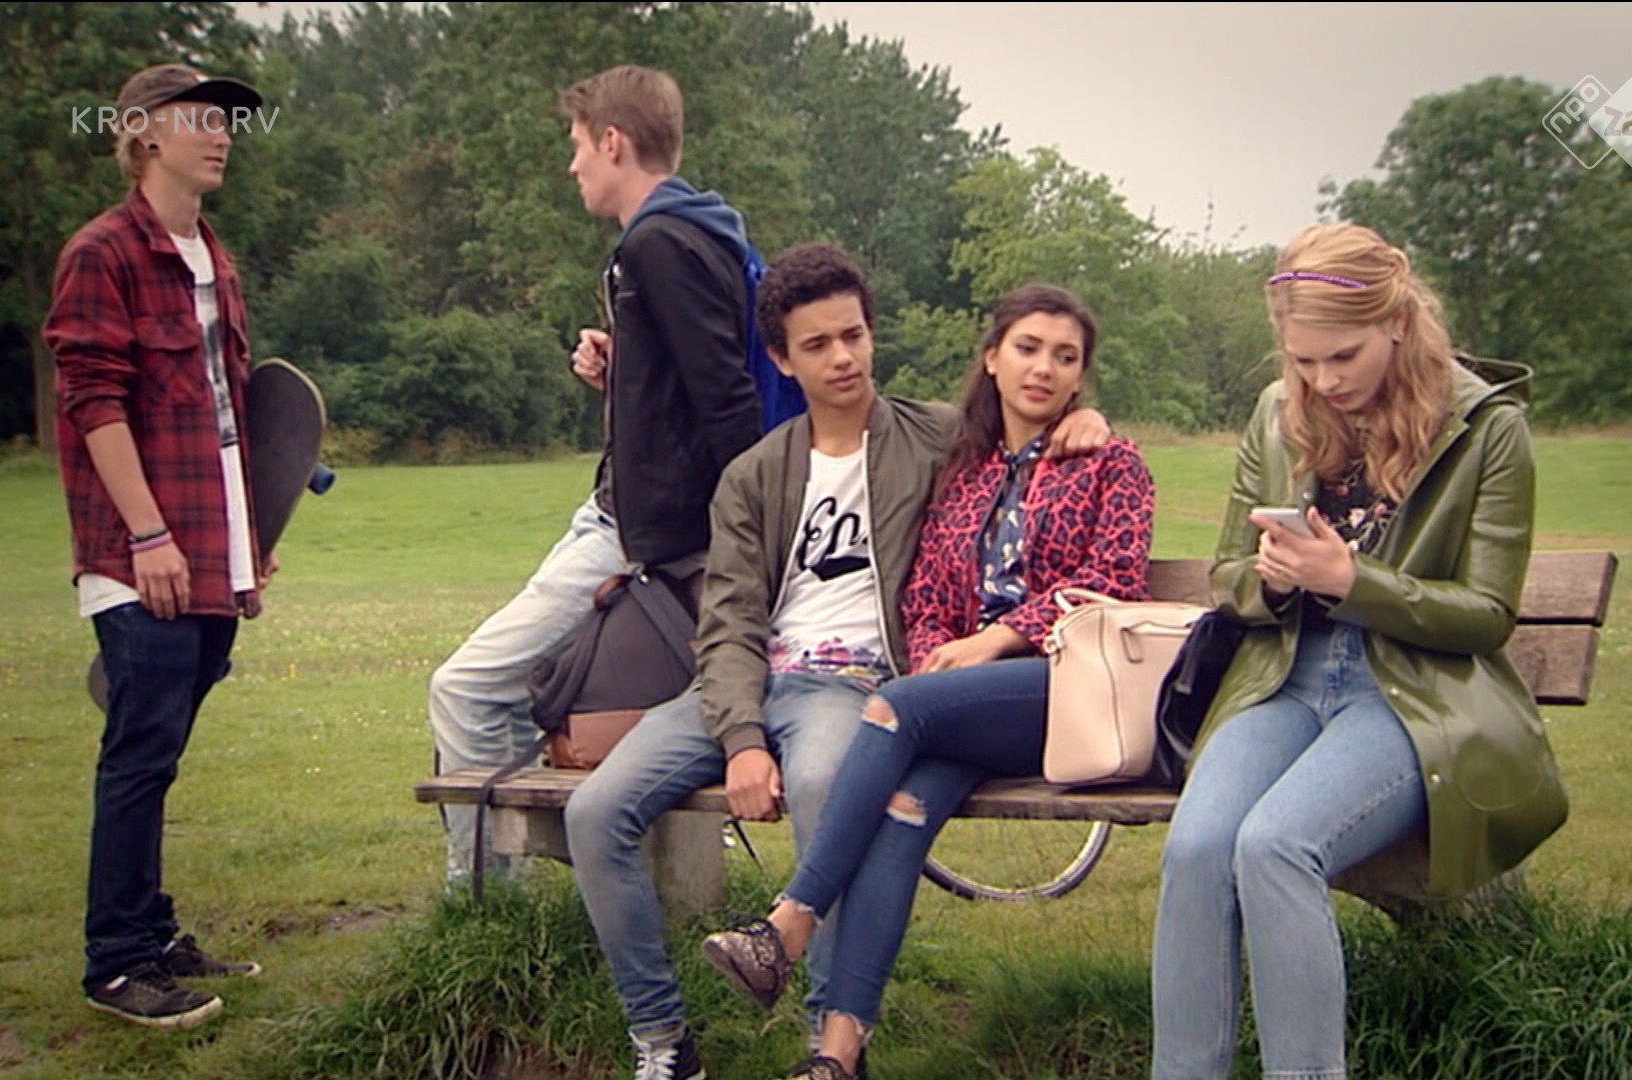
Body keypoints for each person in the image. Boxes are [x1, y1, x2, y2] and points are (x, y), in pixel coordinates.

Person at [565, 246, 1112, 1080]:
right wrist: (742, 739)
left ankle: (828, 1046)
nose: (843, 357)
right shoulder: (754, 475)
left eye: (854, 335)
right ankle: (663, 1042)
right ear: (783, 359)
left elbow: (1024, 412)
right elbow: (729, 621)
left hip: (855, 685)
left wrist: (1087, 418)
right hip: (747, 684)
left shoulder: (936, 438)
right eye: (817, 344)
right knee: (594, 812)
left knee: (825, 784)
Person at [698, 284, 1158, 1080]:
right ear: (992, 358)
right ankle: (837, 1058)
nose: (1043, 369)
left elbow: (1111, 582)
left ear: (1081, 376)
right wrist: (943, 654)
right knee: (901, 816)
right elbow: (925, 599)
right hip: (968, 708)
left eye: (1065, 357)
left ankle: (789, 924)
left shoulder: (1111, 463)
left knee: (892, 706)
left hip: (1068, 690)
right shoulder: (966, 470)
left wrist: (996, 640)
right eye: (1027, 348)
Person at [1149, 223, 1569, 1080]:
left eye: (1343, 356)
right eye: (1303, 360)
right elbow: (1228, 574)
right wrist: (1271, 581)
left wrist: (1352, 580)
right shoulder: (1279, 412)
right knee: (1196, 849)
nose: (1323, 380)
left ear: (1399, 323)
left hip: (1410, 694)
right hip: (1282, 681)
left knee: (1275, 846)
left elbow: (1487, 615)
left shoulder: (1488, 429)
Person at [427, 64, 765, 886]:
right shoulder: (701, 231)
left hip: (637, 537)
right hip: (637, 521)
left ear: (613, 142)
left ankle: (486, 908)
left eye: (578, 145)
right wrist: (624, 373)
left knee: (467, 689)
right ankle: (546, 888)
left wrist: (751, 540)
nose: (572, 163)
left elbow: (729, 402)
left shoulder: (659, 243)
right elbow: (694, 389)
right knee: (516, 690)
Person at [42, 63, 273, 1030]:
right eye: (201, 118)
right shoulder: (102, 253)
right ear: (143, 133)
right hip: (140, 550)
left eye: (227, 121)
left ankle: (150, 927)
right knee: (139, 752)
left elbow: (227, 416)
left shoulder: (211, 255)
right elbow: (93, 401)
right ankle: (115, 962)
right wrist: (148, 534)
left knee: (161, 746)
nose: (221, 134)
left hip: (211, 544)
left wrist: (249, 543)